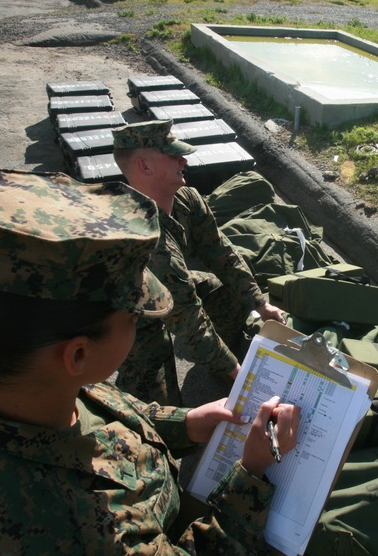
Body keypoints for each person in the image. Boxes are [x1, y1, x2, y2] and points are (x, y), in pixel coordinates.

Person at [0, 168, 299, 556]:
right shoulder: (86, 531)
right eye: (136, 314)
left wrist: (181, 424)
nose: (145, 322)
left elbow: (95, 404)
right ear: (78, 353)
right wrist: (251, 475)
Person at [112, 120, 286, 405]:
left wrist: (259, 303)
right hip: (127, 315)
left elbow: (221, 253)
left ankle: (219, 360)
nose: (183, 159)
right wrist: (240, 376)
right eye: (172, 155)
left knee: (221, 288)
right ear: (145, 166)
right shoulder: (145, 237)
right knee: (159, 402)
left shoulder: (186, 199)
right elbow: (189, 319)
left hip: (167, 290)